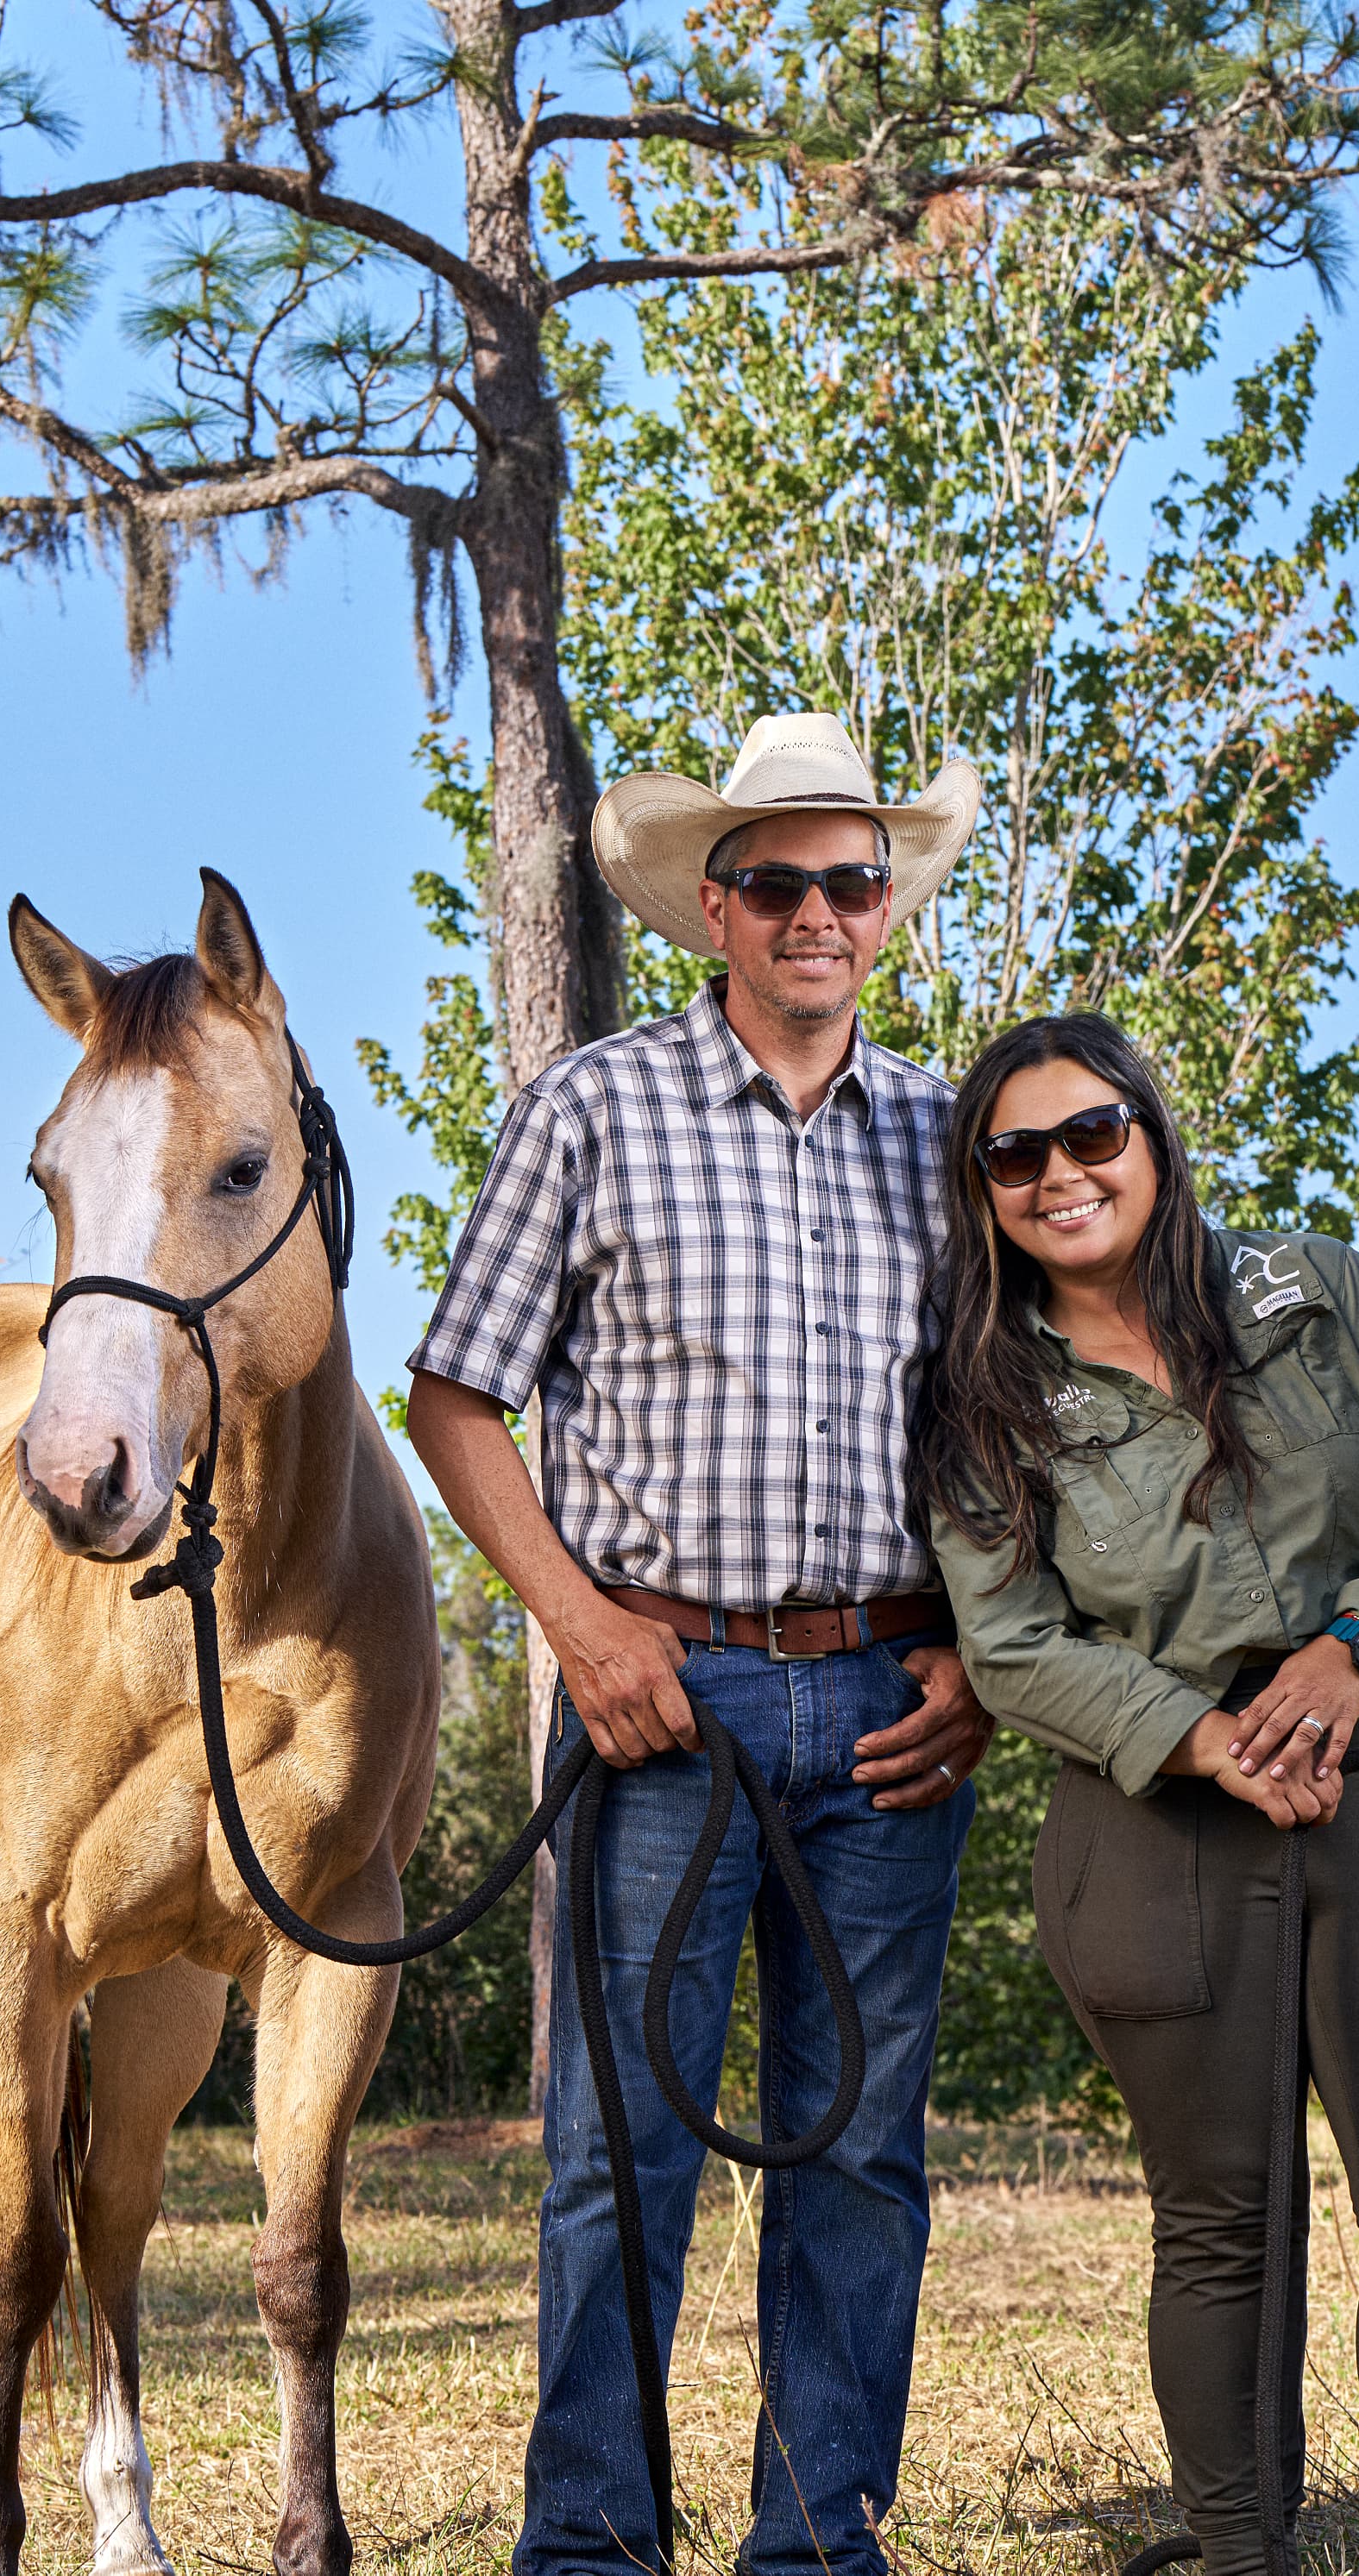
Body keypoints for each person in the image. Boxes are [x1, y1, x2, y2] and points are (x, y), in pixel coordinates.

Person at [406, 712, 998, 2576]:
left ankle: (820, 2546)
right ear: (714, 911)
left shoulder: (953, 1131)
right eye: (780, 882)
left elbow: (1016, 1422)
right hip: (662, 1698)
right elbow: (454, 1398)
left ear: (886, 907)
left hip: (899, 1700)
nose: (821, 912)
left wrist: (988, 1658)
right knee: (619, 2155)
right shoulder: (594, 1107)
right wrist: (580, 1627)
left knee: (863, 2156)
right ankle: (587, 2544)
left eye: (853, 879)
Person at [910, 1013, 1359, 2576]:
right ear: (984, 1191)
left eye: (1093, 1132)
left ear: (1153, 1137)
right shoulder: (980, 1395)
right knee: (1224, 2223)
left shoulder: (1316, 1294)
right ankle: (1242, 2553)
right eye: (1016, 1153)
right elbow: (1012, 1640)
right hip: (1155, 1806)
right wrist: (1202, 1737)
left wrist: (1353, 1649)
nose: (1062, 1173)